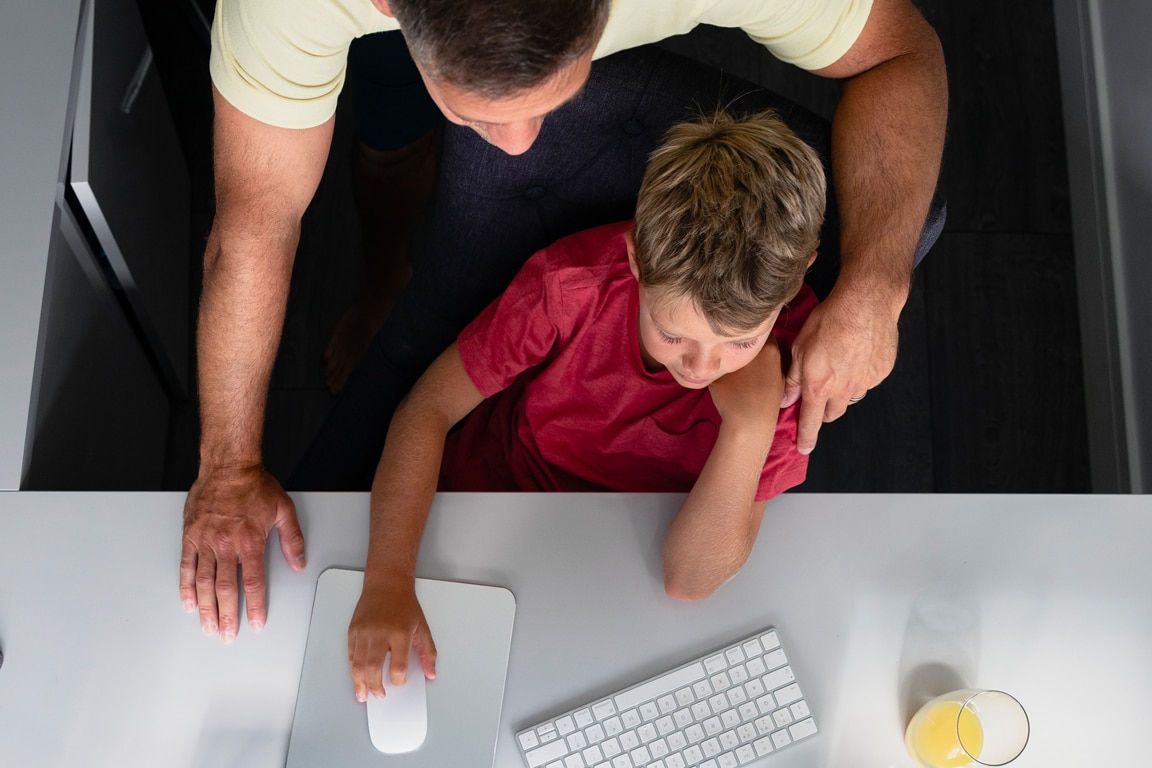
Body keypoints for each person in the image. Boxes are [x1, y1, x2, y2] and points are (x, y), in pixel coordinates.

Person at [181, 0, 947, 644]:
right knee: (388, 148)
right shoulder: (576, 287)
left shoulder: (769, 381)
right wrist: (227, 470)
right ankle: (387, 278)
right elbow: (253, 228)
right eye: (476, 114)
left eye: (553, 96)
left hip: (616, 582)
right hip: (477, 514)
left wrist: (880, 285)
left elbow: (901, 54)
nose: (520, 148)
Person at [346, 111, 826, 699]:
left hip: (636, 565)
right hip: (492, 506)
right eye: (672, 334)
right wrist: (389, 579)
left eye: (740, 341)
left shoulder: (796, 367)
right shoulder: (571, 287)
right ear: (635, 260)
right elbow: (427, 410)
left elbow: (689, 581)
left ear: (797, 277)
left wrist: (749, 428)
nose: (700, 369)